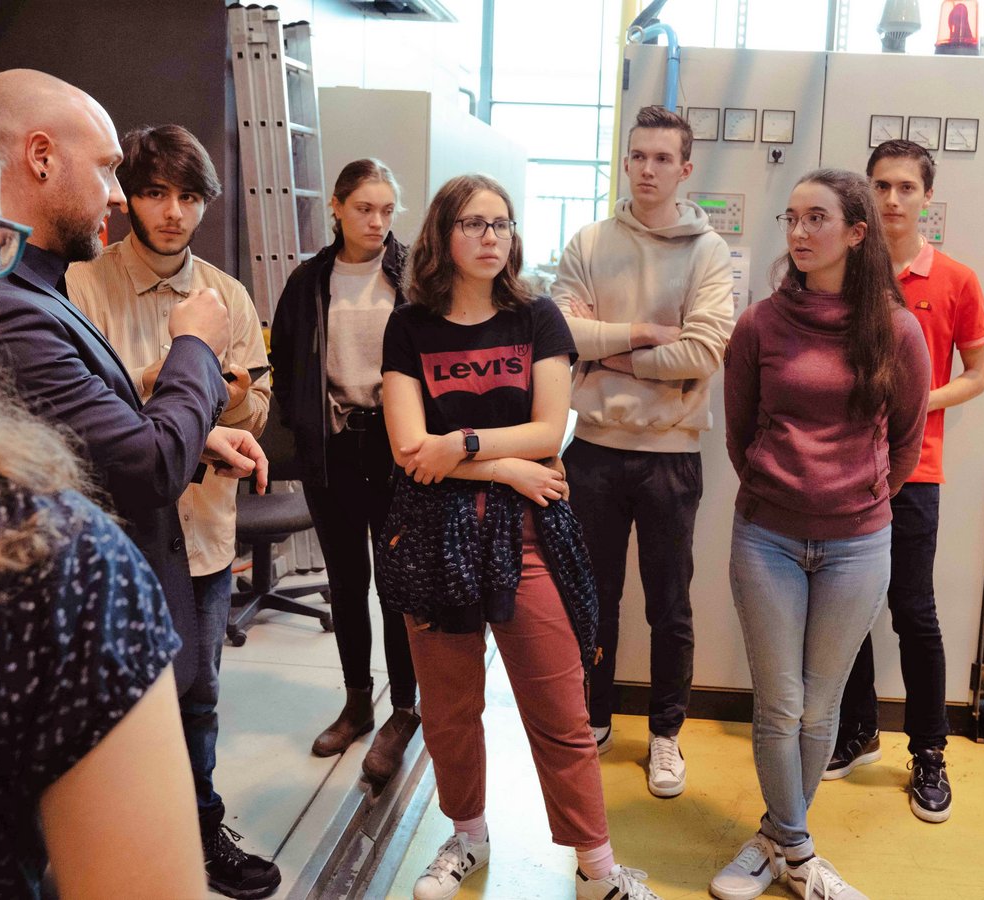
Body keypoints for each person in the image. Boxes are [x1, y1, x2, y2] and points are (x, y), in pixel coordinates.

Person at [0, 43, 205, 898]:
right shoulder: (37, 557)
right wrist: (195, 346)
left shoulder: (49, 293)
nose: (126, 196)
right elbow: (142, 463)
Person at [377, 174, 659, 900]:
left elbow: (548, 428)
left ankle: (598, 868)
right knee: (448, 708)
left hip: (528, 532)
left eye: (500, 224)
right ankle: (466, 836)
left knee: (560, 707)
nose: (489, 237)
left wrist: (464, 444)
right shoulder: (409, 326)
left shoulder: (537, 319)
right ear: (443, 235)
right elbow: (412, 447)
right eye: (473, 224)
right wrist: (504, 466)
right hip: (435, 532)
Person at [65, 124, 277, 897]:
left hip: (204, 531)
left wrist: (237, 397)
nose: (173, 213)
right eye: (155, 193)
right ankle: (115, 847)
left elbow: (256, 415)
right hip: (118, 537)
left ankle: (199, 830)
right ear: (129, 197)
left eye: (189, 196)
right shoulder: (81, 286)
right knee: (114, 695)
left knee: (201, 694)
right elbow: (98, 422)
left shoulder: (230, 294)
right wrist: (172, 379)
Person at [712, 169, 929, 900]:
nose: (800, 232)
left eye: (818, 218)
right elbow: (741, 434)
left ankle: (776, 838)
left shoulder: (896, 330)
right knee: (778, 703)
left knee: (821, 706)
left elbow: (903, 443)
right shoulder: (760, 325)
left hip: (858, 543)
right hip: (767, 537)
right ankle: (801, 853)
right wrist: (786, 490)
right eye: (792, 218)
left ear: (856, 233)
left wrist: (855, 499)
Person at [553, 105, 734, 798]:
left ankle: (665, 734)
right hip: (593, 448)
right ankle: (593, 715)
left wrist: (612, 353)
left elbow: (704, 350)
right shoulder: (591, 241)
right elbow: (565, 334)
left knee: (670, 603)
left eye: (663, 158)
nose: (649, 169)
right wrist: (644, 336)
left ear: (685, 169)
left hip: (671, 455)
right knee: (592, 595)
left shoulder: (707, 251)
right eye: (638, 156)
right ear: (625, 162)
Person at [825, 141, 984, 826]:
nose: (892, 199)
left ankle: (928, 752)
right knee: (849, 609)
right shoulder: (841, 275)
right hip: (843, 472)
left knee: (912, 613)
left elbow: (978, 374)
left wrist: (915, 401)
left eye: (904, 187)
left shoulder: (955, 280)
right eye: (880, 186)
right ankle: (858, 731)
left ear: (927, 197)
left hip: (914, 475)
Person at [270, 158, 419, 783]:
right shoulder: (309, 281)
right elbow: (284, 360)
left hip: (397, 449)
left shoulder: (412, 274)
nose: (377, 221)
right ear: (337, 207)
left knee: (398, 587)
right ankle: (358, 702)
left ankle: (404, 711)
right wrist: (307, 432)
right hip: (333, 449)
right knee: (347, 582)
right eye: (364, 208)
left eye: (387, 210)